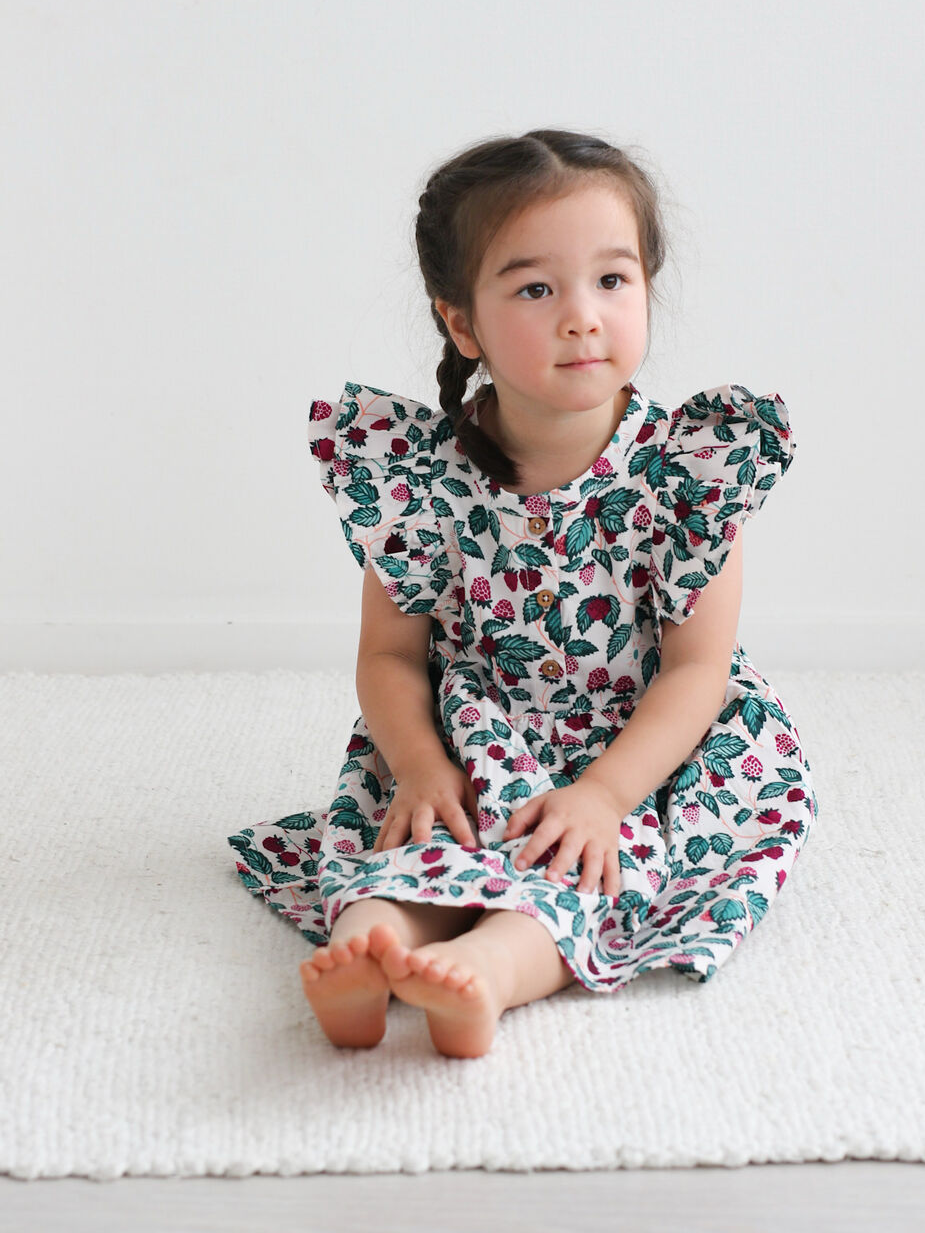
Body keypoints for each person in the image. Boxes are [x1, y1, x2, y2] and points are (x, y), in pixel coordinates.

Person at [227, 127, 819, 1060]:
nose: (582, 315)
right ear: (462, 323)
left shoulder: (687, 473)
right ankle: (368, 944)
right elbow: (389, 654)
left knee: (588, 870)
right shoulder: (423, 477)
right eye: (537, 289)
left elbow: (697, 671)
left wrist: (603, 794)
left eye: (612, 281)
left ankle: (492, 974)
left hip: (639, 747)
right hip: (476, 729)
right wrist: (421, 763)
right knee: (422, 844)